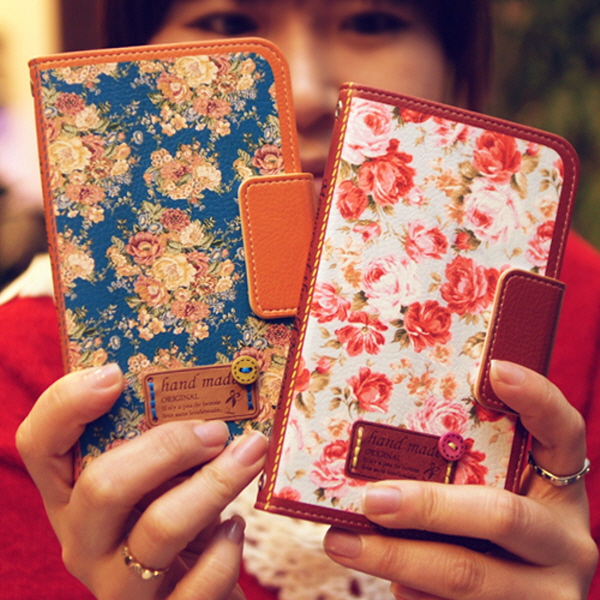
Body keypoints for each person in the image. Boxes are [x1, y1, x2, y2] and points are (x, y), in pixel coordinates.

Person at [2, 0, 599, 598]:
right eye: (227, 23)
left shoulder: (585, 311)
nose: (307, 92)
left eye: (371, 22)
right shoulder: (21, 370)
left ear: (456, 58)